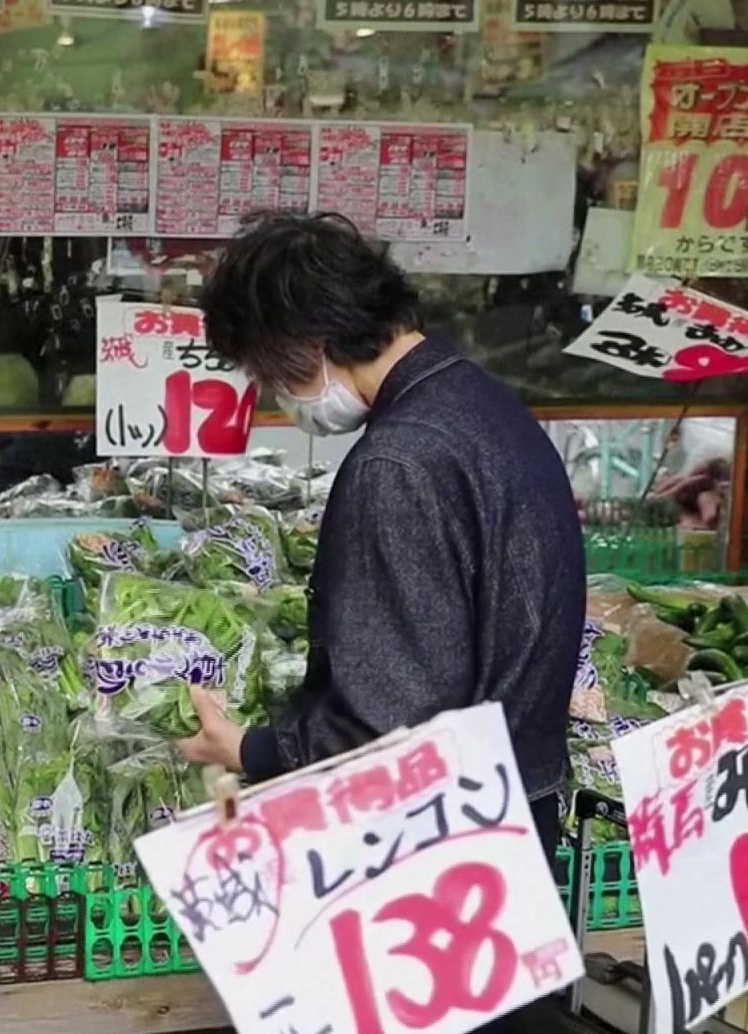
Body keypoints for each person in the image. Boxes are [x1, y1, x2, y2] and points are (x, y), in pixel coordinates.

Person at [176, 212, 585, 870]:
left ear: (304, 344)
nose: (279, 398)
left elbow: (389, 713)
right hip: (516, 801)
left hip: (446, 841)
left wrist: (252, 749)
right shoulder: (481, 401)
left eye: (266, 374)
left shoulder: (398, 464)